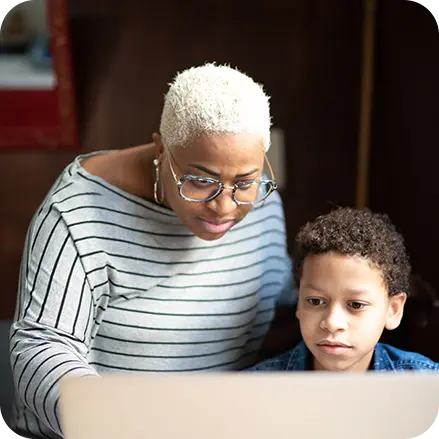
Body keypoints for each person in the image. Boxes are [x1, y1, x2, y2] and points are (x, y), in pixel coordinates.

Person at [9, 63, 295, 439]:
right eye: (200, 181)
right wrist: (114, 421)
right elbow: (41, 347)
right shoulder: (77, 213)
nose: (225, 207)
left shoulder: (260, 200)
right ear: (162, 149)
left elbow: (282, 304)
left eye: (243, 182)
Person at [249, 207, 439, 372]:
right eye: (315, 301)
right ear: (299, 302)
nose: (332, 323)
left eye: (356, 304)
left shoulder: (427, 383)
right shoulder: (255, 389)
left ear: (393, 310)